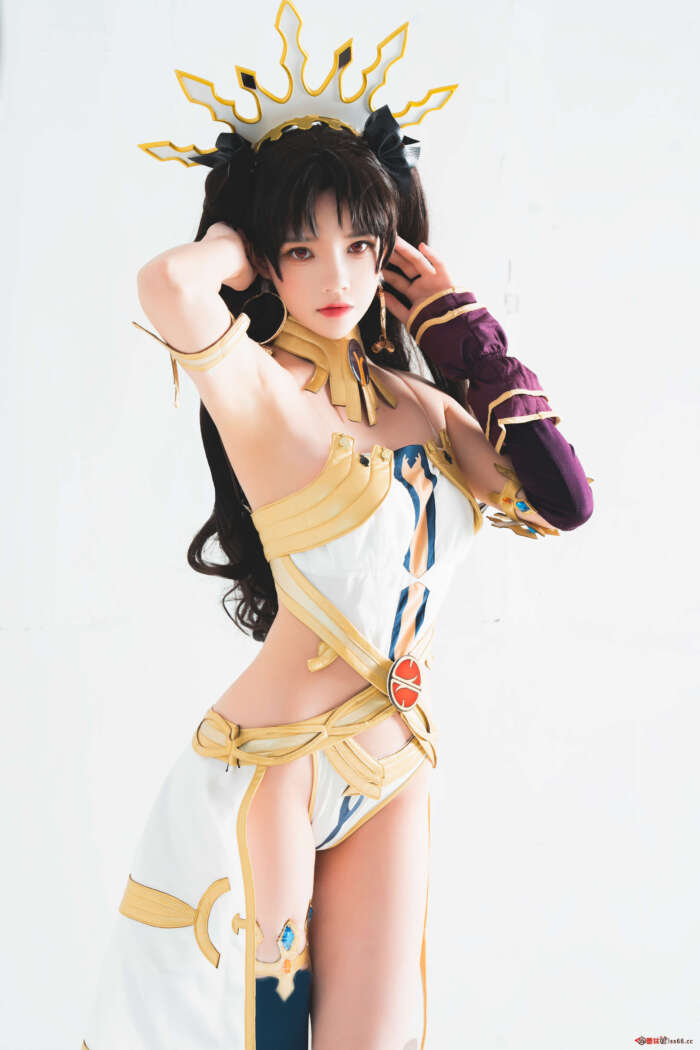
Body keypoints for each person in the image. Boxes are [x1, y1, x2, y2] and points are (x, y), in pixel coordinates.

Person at [81, 4, 593, 1049]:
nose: (340, 278)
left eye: (362, 246)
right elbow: (168, 285)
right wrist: (233, 237)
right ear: (267, 262)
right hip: (273, 767)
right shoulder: (262, 392)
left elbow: (562, 500)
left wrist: (460, 329)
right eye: (303, 249)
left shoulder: (424, 406)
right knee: (267, 1034)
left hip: (394, 763)